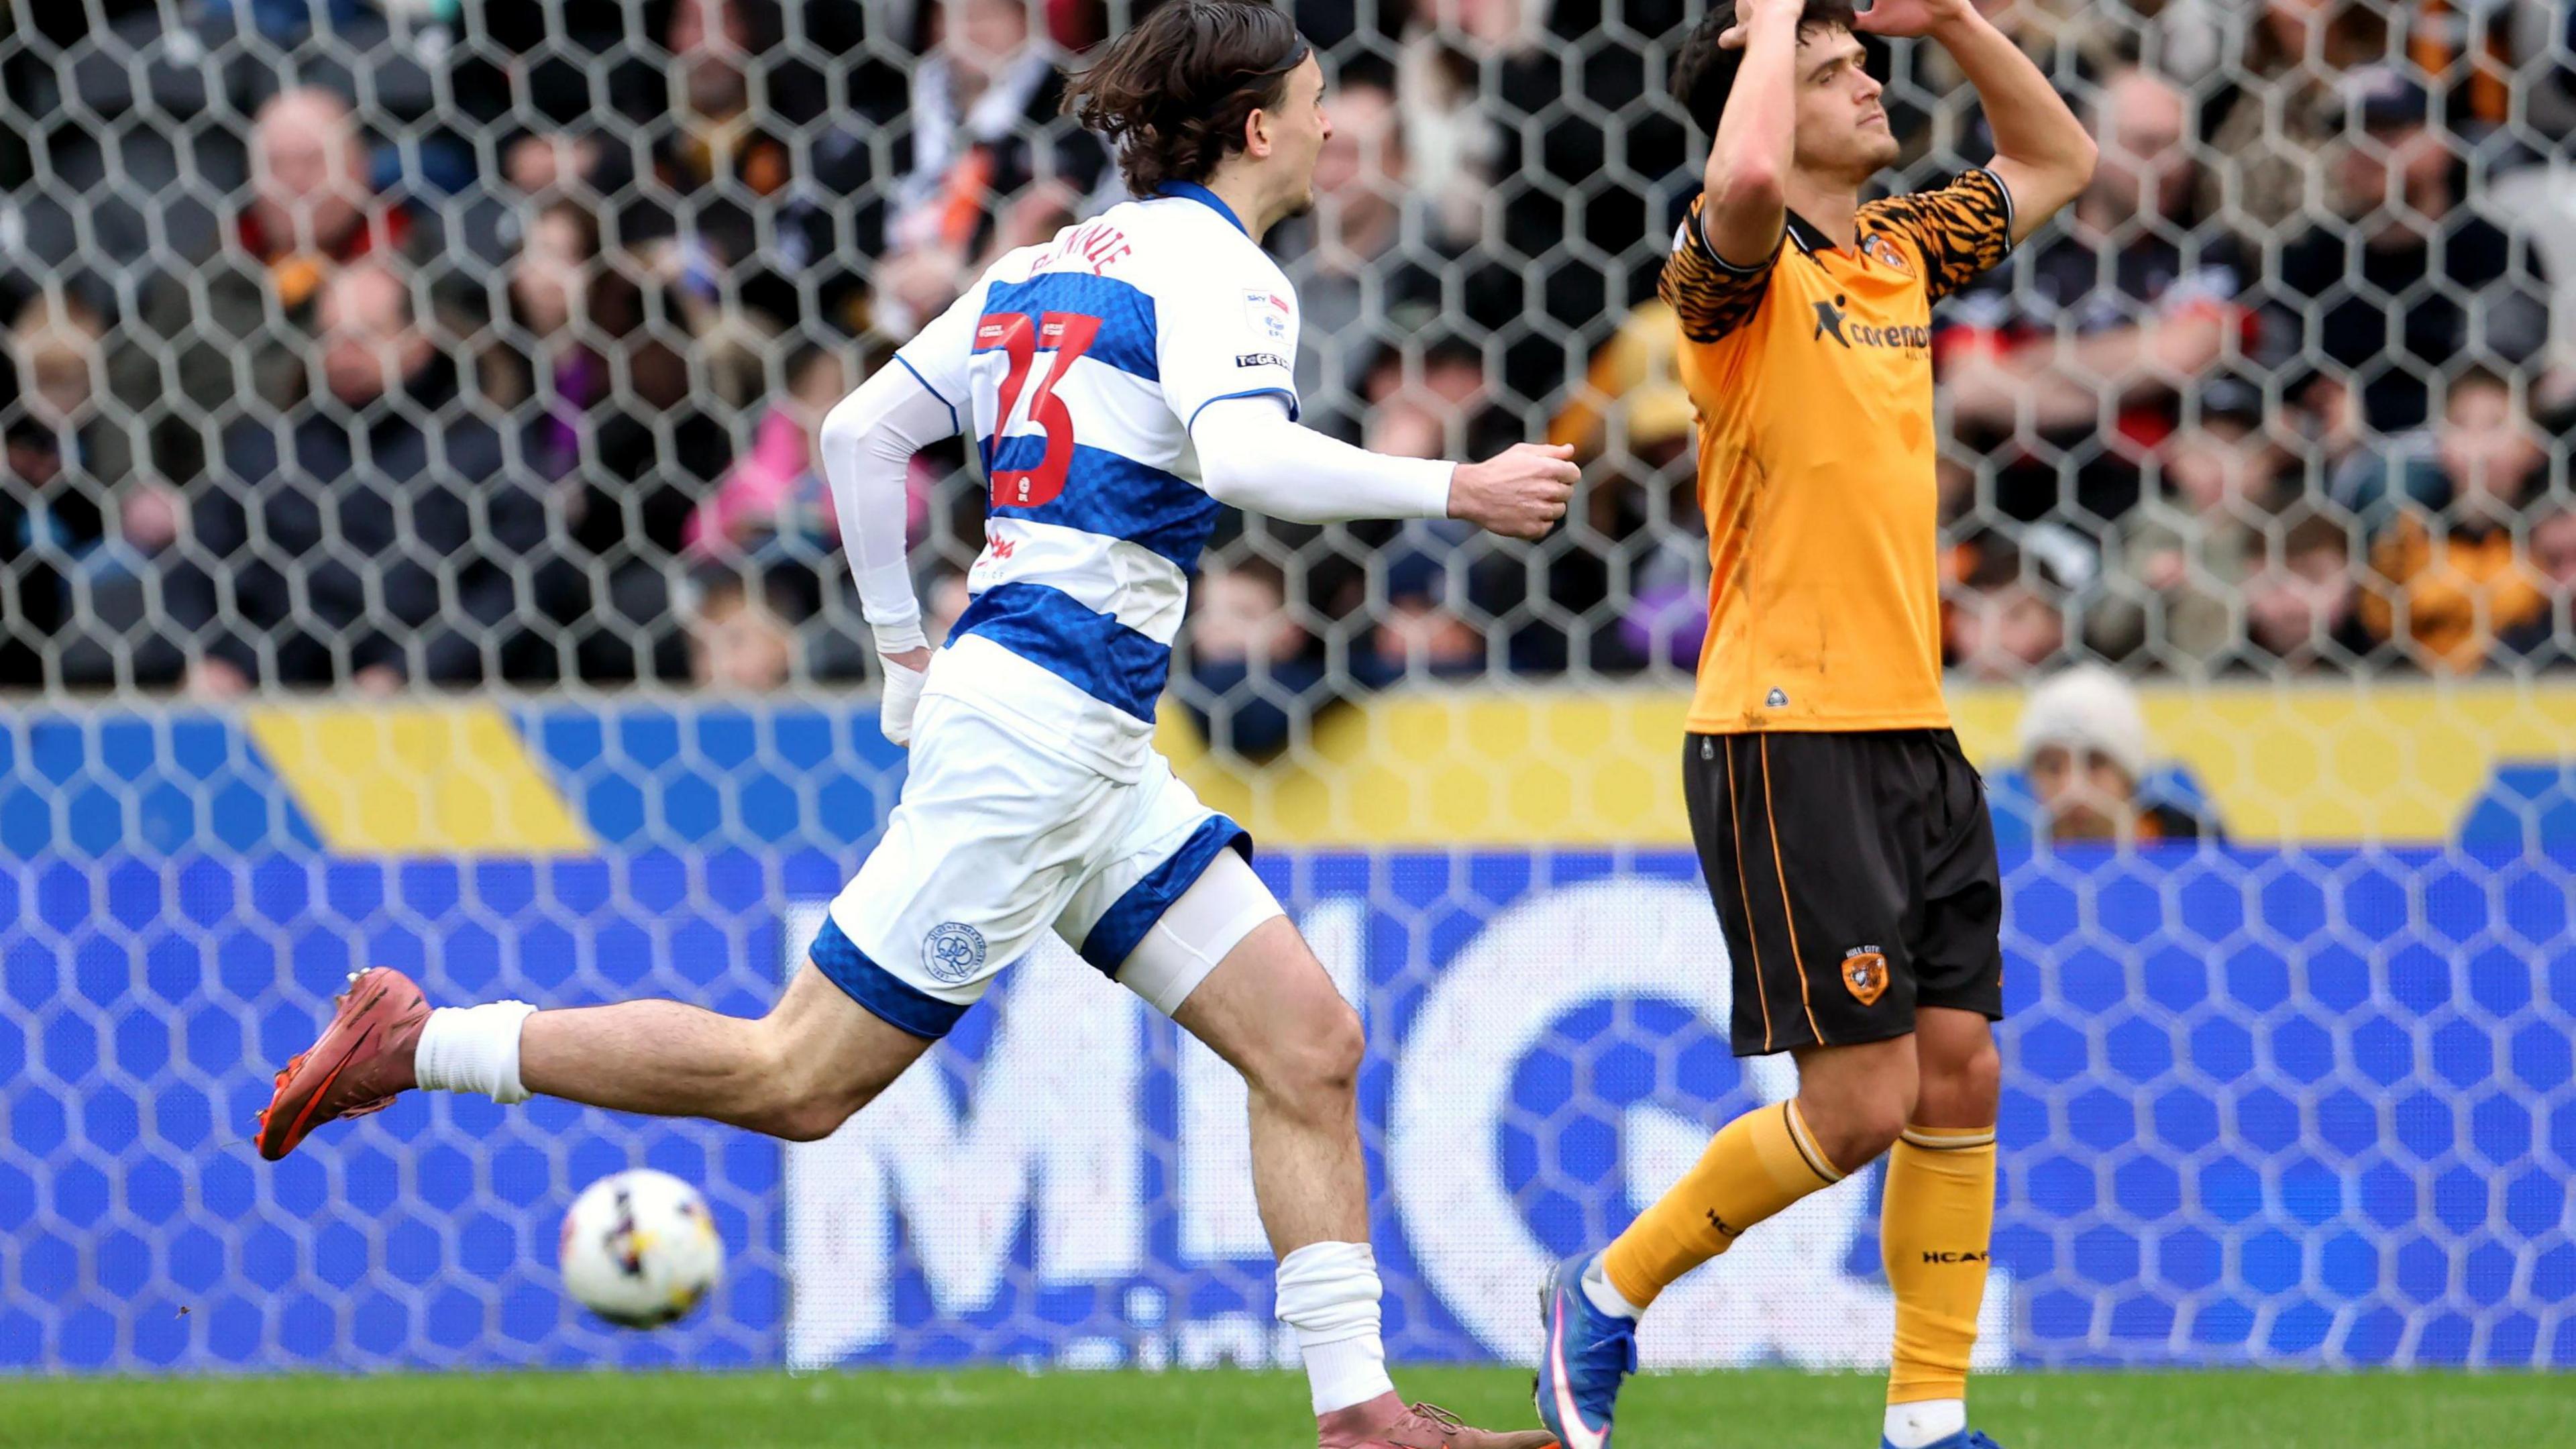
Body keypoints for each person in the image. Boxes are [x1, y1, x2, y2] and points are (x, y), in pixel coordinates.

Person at [250, 7, 1575, 1448]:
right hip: (1040, 743)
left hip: (1079, 742)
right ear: (1256, 129)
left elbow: (856, 434)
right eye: (1316, 104)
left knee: (1309, 1043)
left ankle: (1360, 1415)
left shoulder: (1047, 261)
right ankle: (425, 1041)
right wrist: (1462, 488)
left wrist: (900, 652)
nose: (1330, 127)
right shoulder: (1235, 277)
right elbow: (1246, 455)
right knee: (794, 1079)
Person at [1532, 5, 2094, 1449]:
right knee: (1856, 1107)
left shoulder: (1900, 246)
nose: (1870, 82)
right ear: (1765, 98)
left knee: (1961, 1068)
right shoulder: (1729, 274)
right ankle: (1603, 1293)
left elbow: (2059, 155)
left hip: (1915, 727)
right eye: (1836, 72)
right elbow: (1745, 186)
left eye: (1860, 61)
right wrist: (1774, 20)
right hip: (1786, 731)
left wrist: (1957, 19)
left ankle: (1924, 1417)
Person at [2018, 664, 2215, 845]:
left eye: (2094, 764)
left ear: (2129, 775)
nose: (2073, 789)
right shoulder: (2010, 862)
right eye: (2053, 768)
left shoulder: (2192, 843)